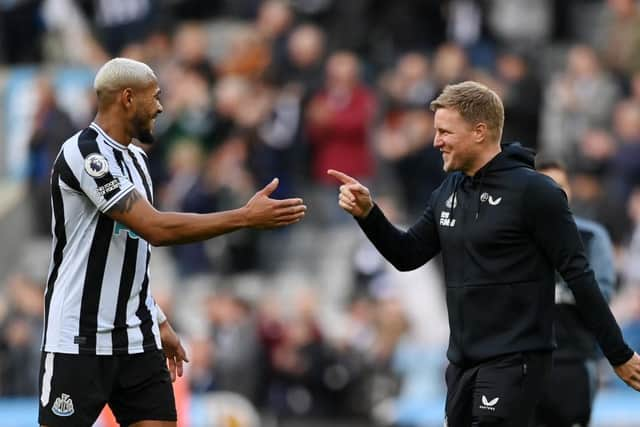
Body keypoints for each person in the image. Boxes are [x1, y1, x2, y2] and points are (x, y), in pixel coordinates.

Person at [328, 81, 640, 427]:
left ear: (479, 131)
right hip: (462, 365)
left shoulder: (535, 192)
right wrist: (369, 215)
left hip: (515, 360)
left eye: (445, 131)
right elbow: (407, 254)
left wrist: (618, 355)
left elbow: (580, 276)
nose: (436, 141)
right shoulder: (449, 190)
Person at [38, 57, 306, 427]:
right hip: (79, 339)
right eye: (155, 97)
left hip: (134, 336)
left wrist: (158, 320)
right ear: (128, 98)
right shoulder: (85, 154)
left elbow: (134, 249)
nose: (161, 107)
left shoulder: (136, 159)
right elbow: (156, 229)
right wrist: (243, 217)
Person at [534, 157, 616, 427]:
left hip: (575, 361)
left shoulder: (592, 237)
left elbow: (602, 299)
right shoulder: (513, 240)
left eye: (560, 186)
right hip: (524, 364)